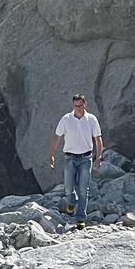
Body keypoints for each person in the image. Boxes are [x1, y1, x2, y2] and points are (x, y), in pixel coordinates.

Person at [47, 93, 103, 226]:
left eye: (80, 105)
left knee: (84, 189)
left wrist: (98, 156)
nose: (78, 108)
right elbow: (56, 137)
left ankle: (80, 219)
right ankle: (72, 202)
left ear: (85, 104)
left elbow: (98, 138)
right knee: (68, 189)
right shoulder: (66, 119)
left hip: (86, 158)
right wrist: (51, 155)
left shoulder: (91, 119)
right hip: (70, 158)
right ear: (73, 105)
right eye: (75, 106)